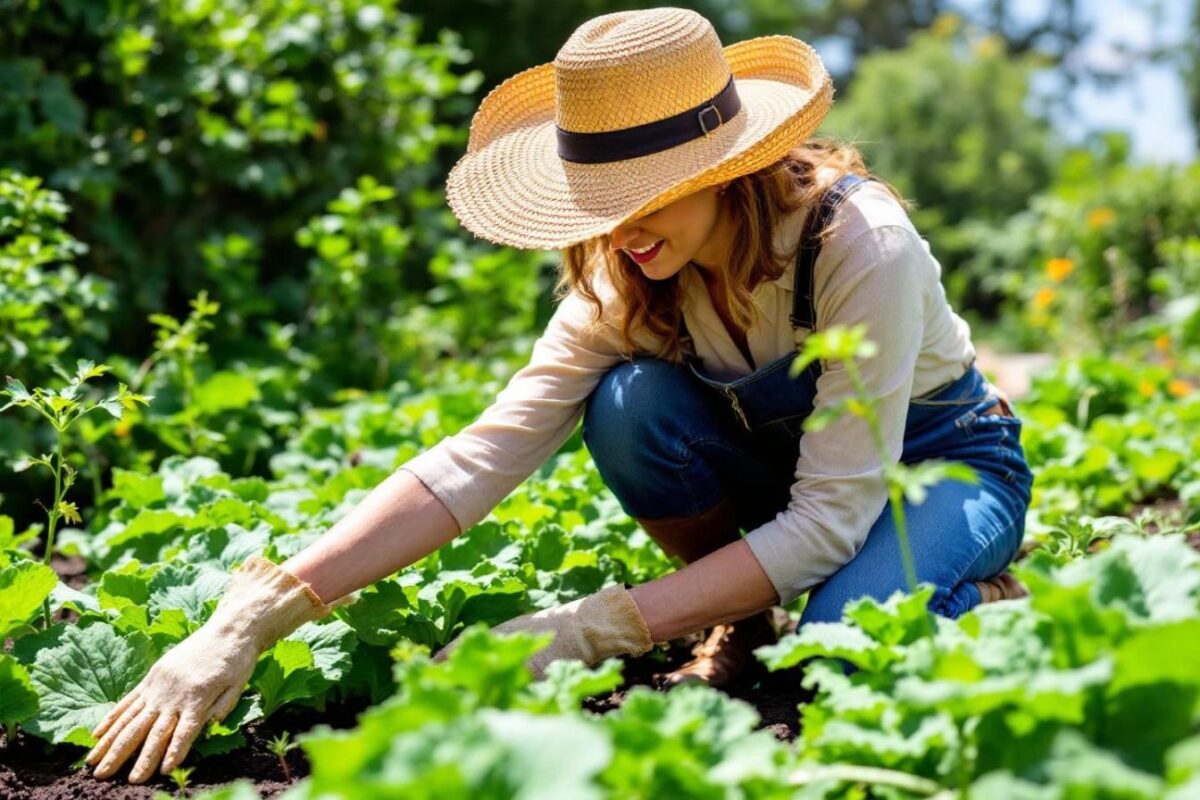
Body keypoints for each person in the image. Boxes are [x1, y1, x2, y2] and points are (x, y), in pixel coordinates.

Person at [84, 7, 1035, 784]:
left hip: (938, 465)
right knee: (630, 409)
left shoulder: (859, 245)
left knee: (845, 645)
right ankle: (743, 618)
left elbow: (832, 515)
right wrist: (254, 618)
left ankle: (989, 597)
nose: (617, 229)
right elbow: (479, 457)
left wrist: (591, 629)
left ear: (722, 167)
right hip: (797, 487)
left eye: (645, 192)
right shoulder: (627, 280)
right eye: (601, 198)